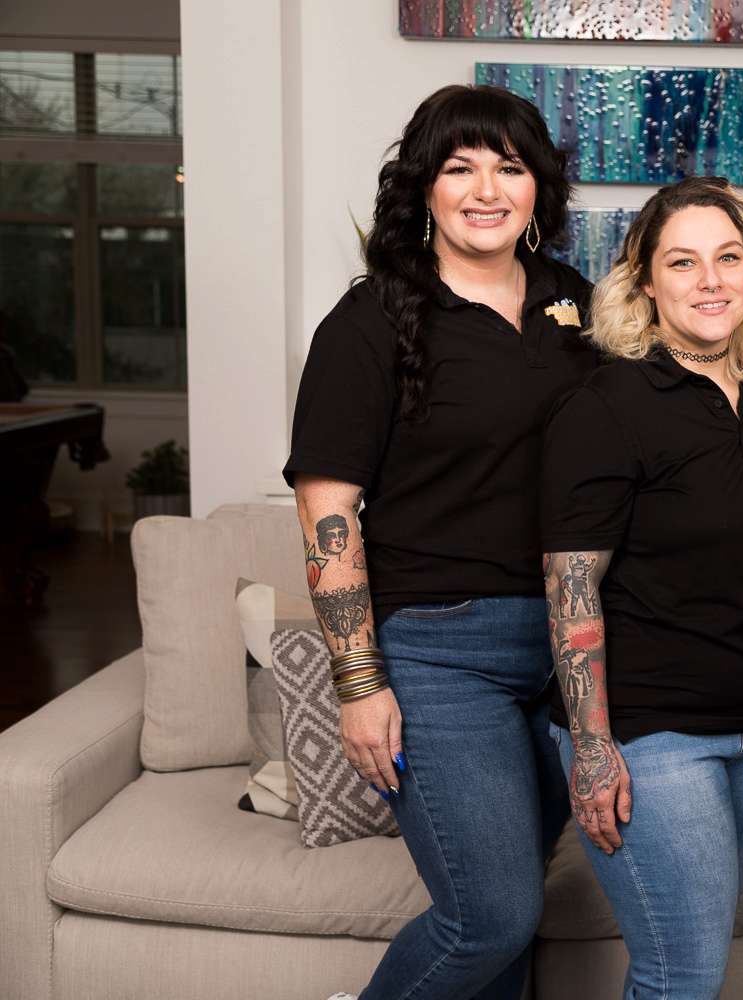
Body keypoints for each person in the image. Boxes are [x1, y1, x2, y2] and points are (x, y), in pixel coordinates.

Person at [284, 84, 598, 1000]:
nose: (486, 188)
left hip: (567, 650)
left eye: (510, 166)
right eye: (460, 167)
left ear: (540, 187)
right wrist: (358, 681)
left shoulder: (576, 307)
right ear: (424, 187)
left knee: (514, 917)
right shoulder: (374, 319)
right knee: (490, 914)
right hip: (439, 652)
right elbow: (327, 506)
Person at [539, 175, 743, 1000]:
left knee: (687, 954)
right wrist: (592, 748)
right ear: (644, 283)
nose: (710, 280)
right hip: (650, 736)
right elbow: (571, 587)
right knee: (682, 974)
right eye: (683, 262)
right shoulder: (606, 403)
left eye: (728, 257)